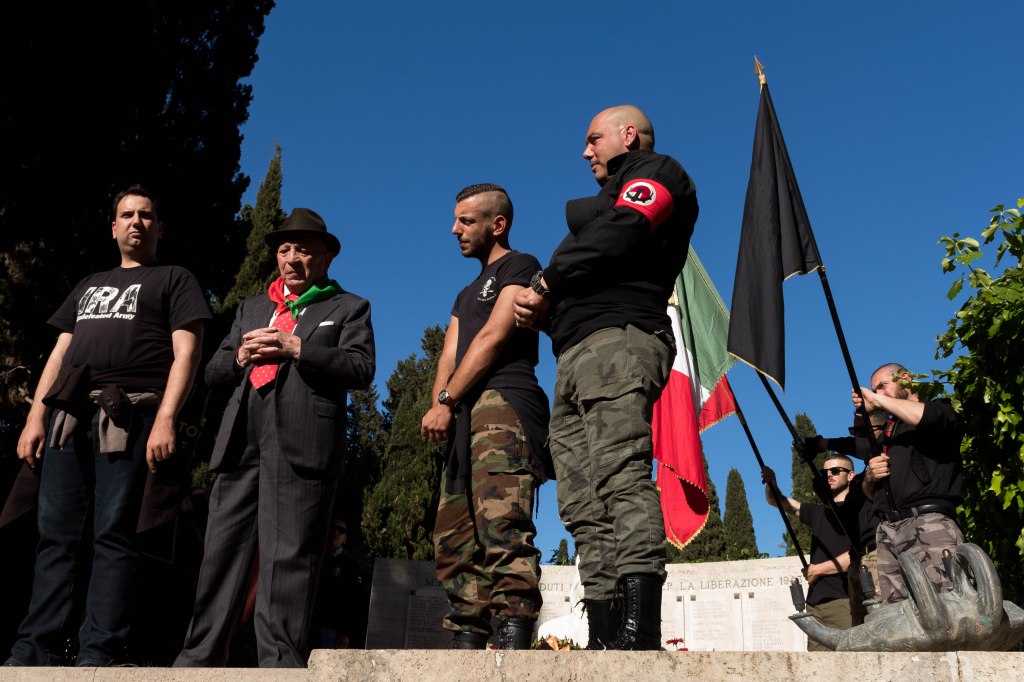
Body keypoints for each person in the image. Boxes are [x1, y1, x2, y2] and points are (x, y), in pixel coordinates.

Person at [513, 105, 698, 650]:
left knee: (620, 476)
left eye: (594, 139)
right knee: (582, 504)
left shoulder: (658, 171)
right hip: (572, 356)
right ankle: (605, 629)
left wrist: (550, 276)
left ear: (629, 135)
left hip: (619, 341)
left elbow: (620, 232)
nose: (585, 151)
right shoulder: (607, 199)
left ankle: (640, 631)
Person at [5, 185, 209, 666]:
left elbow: (188, 353)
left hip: (129, 417)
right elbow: (59, 354)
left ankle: (98, 650)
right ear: (113, 227)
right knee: (54, 534)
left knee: (114, 534)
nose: (136, 222)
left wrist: (165, 419)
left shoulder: (175, 279)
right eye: (126, 215)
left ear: (159, 227)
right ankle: (36, 648)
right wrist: (36, 415)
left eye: (146, 215)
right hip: (67, 419)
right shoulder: (89, 283)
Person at [175, 208, 375, 668]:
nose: (292, 259)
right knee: (221, 553)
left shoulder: (348, 307)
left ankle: (280, 663)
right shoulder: (250, 308)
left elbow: (361, 367)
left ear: (325, 258)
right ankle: (198, 657)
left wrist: (298, 348)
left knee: (290, 558)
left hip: (303, 444)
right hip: (241, 441)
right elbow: (212, 373)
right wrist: (241, 353)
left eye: (304, 249)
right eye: (284, 249)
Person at [421, 184, 553, 650]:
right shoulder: (464, 293)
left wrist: (447, 401)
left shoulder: (522, 265)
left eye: (466, 221)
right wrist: (443, 399)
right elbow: (450, 352)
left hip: (504, 404)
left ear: (497, 225)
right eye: (456, 220)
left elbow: (494, 338)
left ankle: (514, 634)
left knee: (503, 525)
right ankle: (467, 638)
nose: (455, 230)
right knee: (453, 536)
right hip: (461, 414)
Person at [853, 363, 964, 604]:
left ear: (905, 379)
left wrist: (876, 400)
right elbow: (870, 494)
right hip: (887, 530)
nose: (877, 394)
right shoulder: (889, 435)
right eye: (874, 390)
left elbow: (921, 416)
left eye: (882, 386)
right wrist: (871, 477)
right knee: (898, 617)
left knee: (947, 606)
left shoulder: (939, 410)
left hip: (928, 523)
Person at [762, 457, 859, 651]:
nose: (829, 475)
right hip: (815, 604)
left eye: (835, 471)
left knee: (850, 662)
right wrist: (772, 484)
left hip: (845, 601)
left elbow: (859, 554)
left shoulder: (859, 510)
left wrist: (819, 570)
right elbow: (777, 501)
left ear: (850, 475)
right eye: (824, 473)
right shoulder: (816, 512)